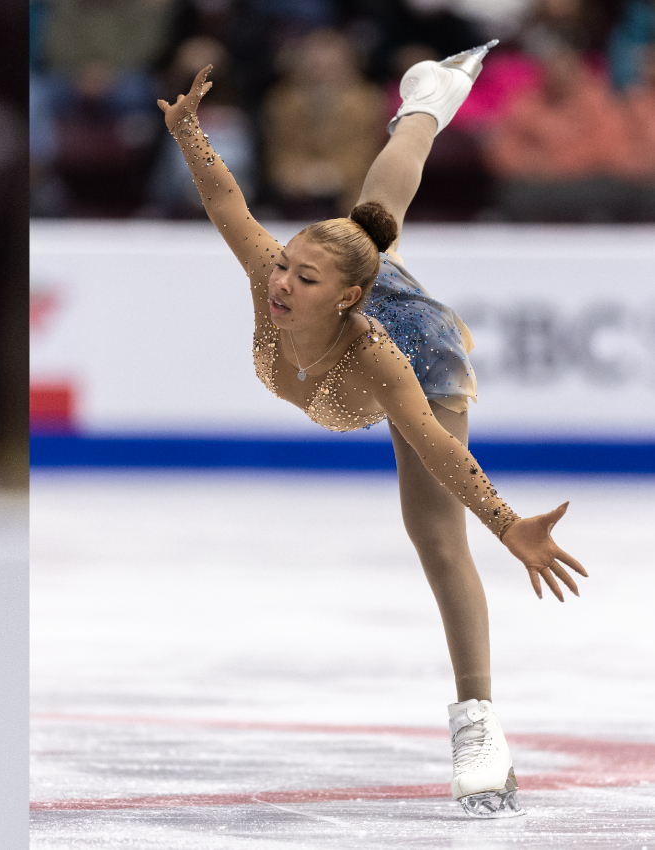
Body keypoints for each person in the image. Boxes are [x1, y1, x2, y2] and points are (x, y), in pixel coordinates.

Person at [157, 43, 587, 819]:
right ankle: (428, 96)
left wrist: (508, 525)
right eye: (285, 265)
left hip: (424, 356)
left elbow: (437, 446)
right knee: (376, 214)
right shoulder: (273, 280)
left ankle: (479, 723)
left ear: (351, 299)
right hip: (361, 272)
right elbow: (227, 204)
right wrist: (189, 131)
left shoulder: (391, 357)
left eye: (303, 278)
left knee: (434, 537)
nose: (281, 283)